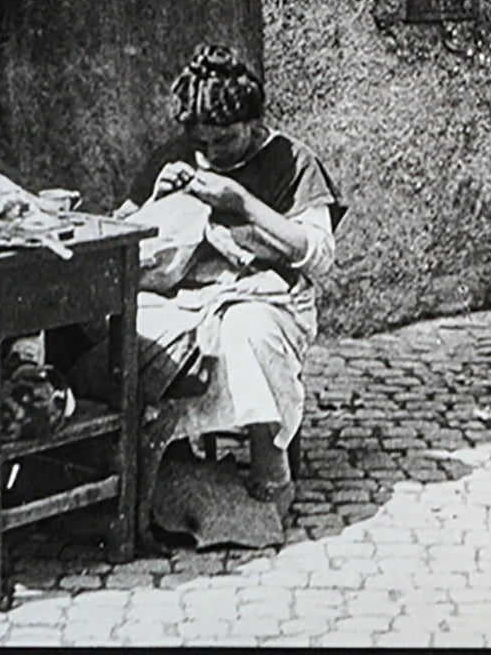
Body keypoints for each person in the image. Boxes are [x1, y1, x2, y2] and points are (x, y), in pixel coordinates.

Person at [103, 44, 346, 512]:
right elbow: (123, 231)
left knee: (246, 329)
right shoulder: (178, 155)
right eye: (201, 141)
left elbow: (317, 256)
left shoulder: (292, 160)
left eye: (225, 140)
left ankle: (269, 458)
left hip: (268, 297)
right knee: (129, 326)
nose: (211, 151)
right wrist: (160, 201)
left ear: (254, 122)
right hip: (185, 295)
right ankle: (167, 450)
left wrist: (242, 202)